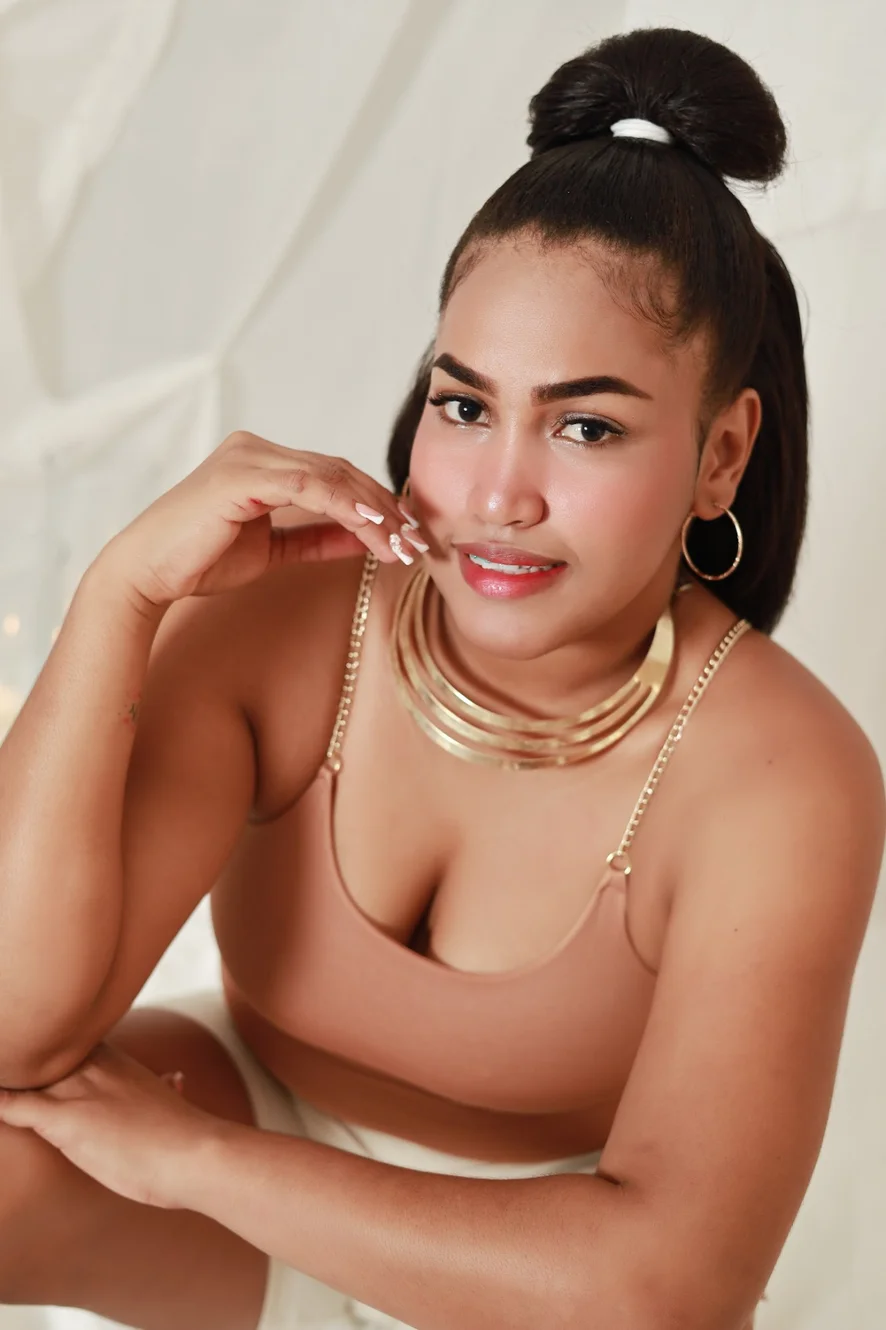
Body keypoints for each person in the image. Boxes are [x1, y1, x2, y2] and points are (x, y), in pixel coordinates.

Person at [0, 23, 882, 1330]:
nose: (496, 494)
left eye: (586, 425)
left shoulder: (780, 772)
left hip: (542, 1274)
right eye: (465, 405)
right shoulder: (289, 627)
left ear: (720, 455)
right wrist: (119, 596)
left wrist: (193, 1161)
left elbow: (664, 1291)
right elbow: (14, 1029)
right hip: (253, 1171)